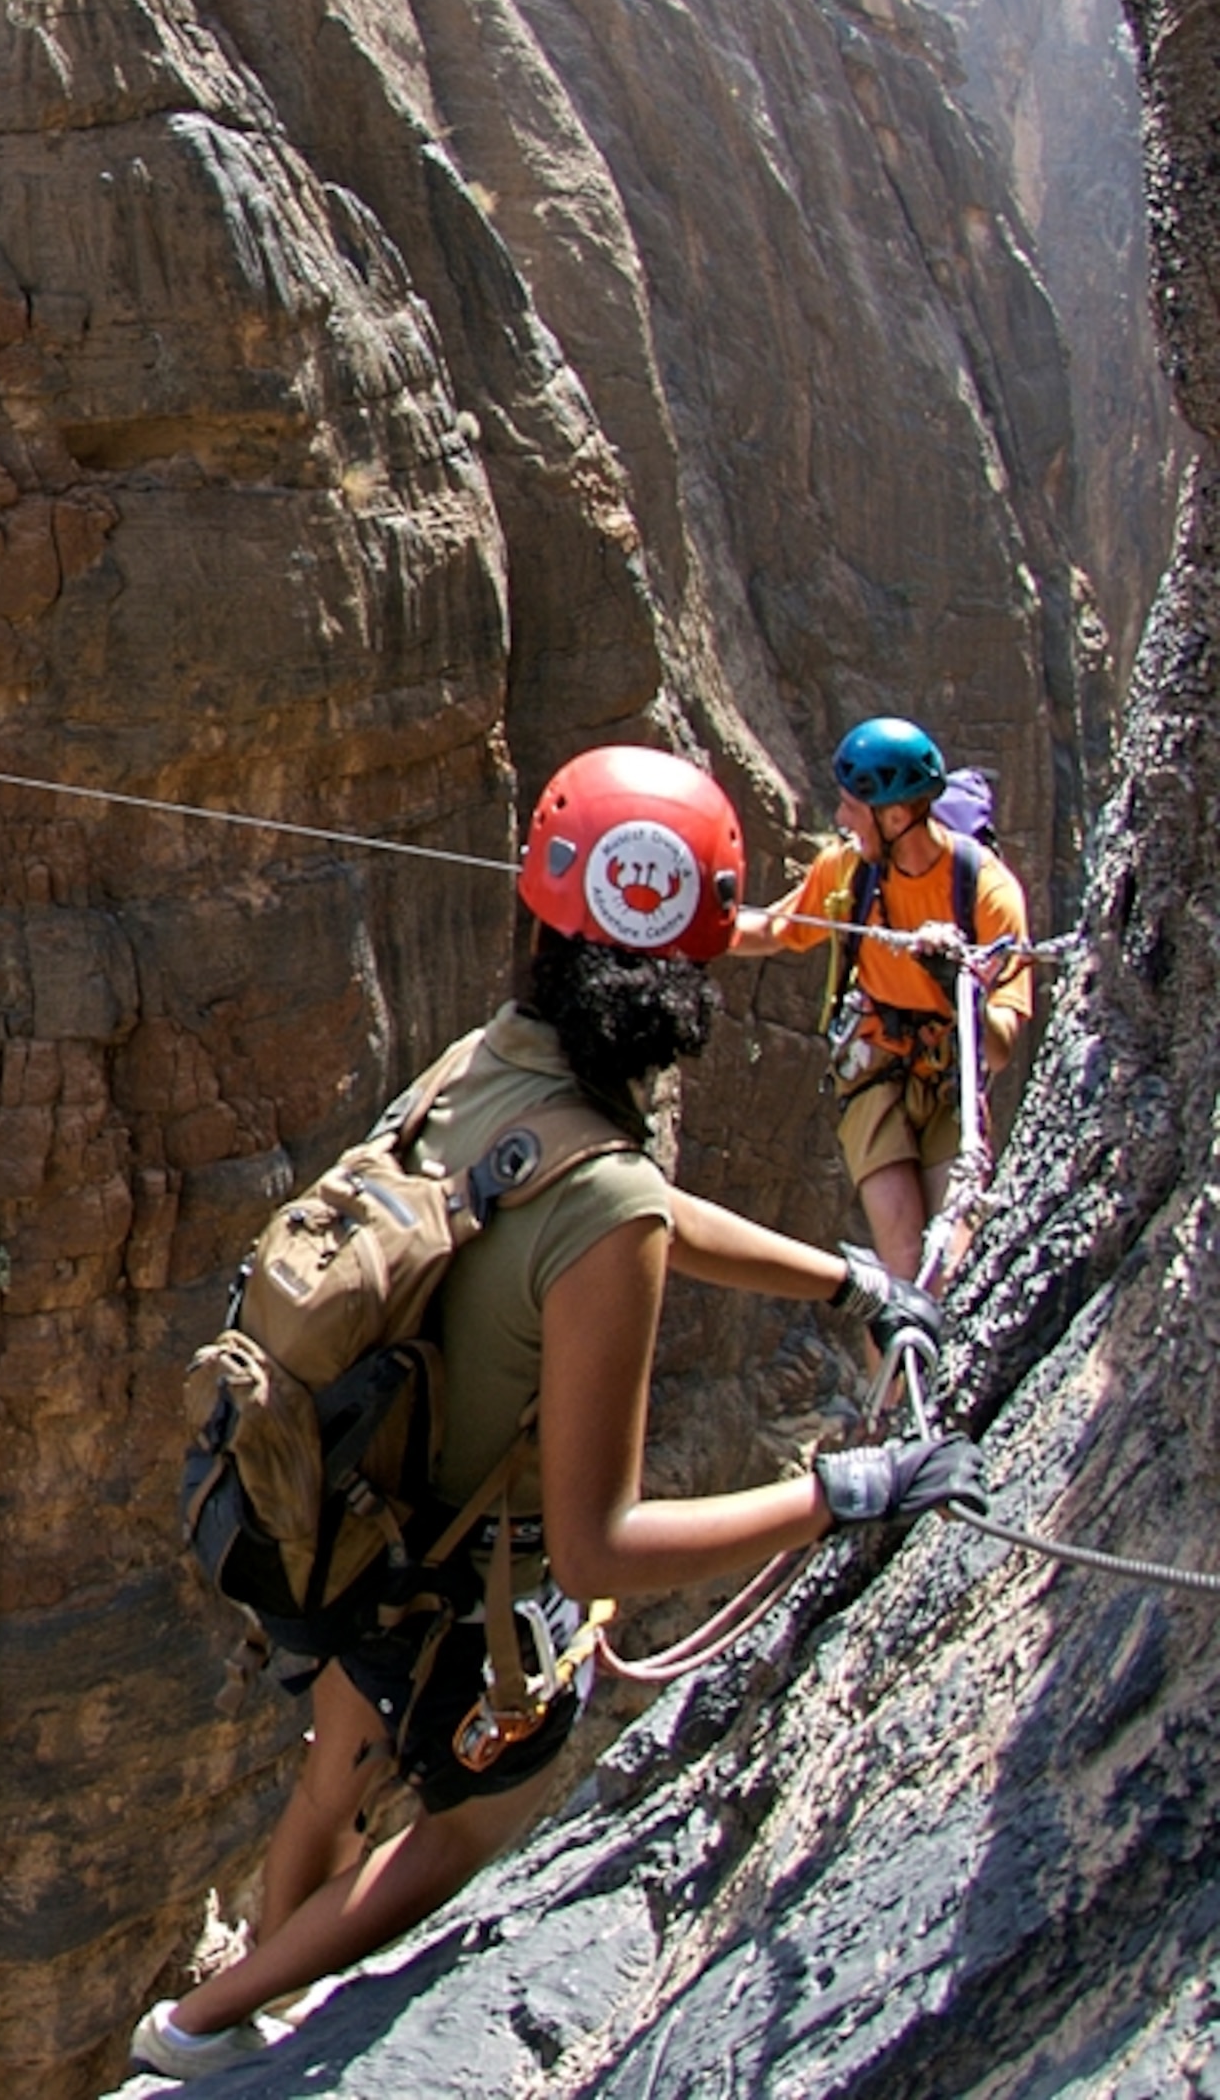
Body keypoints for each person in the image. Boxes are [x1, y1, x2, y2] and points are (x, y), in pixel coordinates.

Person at [130, 746, 981, 2084]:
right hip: (446, 1572)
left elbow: (625, 1203)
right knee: (478, 1818)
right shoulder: (608, 1201)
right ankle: (202, 2022)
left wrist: (840, 1279)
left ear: (539, 918)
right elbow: (600, 1551)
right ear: (696, 969)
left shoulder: (488, 1067)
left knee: (335, 1767)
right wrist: (848, 1489)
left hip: (338, 1505)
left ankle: (236, 2003)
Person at [725, 717, 1032, 1283]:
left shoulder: (988, 894)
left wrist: (952, 980)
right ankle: (892, 1366)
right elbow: (771, 929)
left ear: (895, 816)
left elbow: (1000, 1049)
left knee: (953, 1269)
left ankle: (922, 1366)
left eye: (850, 808)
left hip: (949, 1080)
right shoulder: (849, 871)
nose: (840, 820)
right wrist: (684, 923)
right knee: (906, 1264)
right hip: (876, 1071)